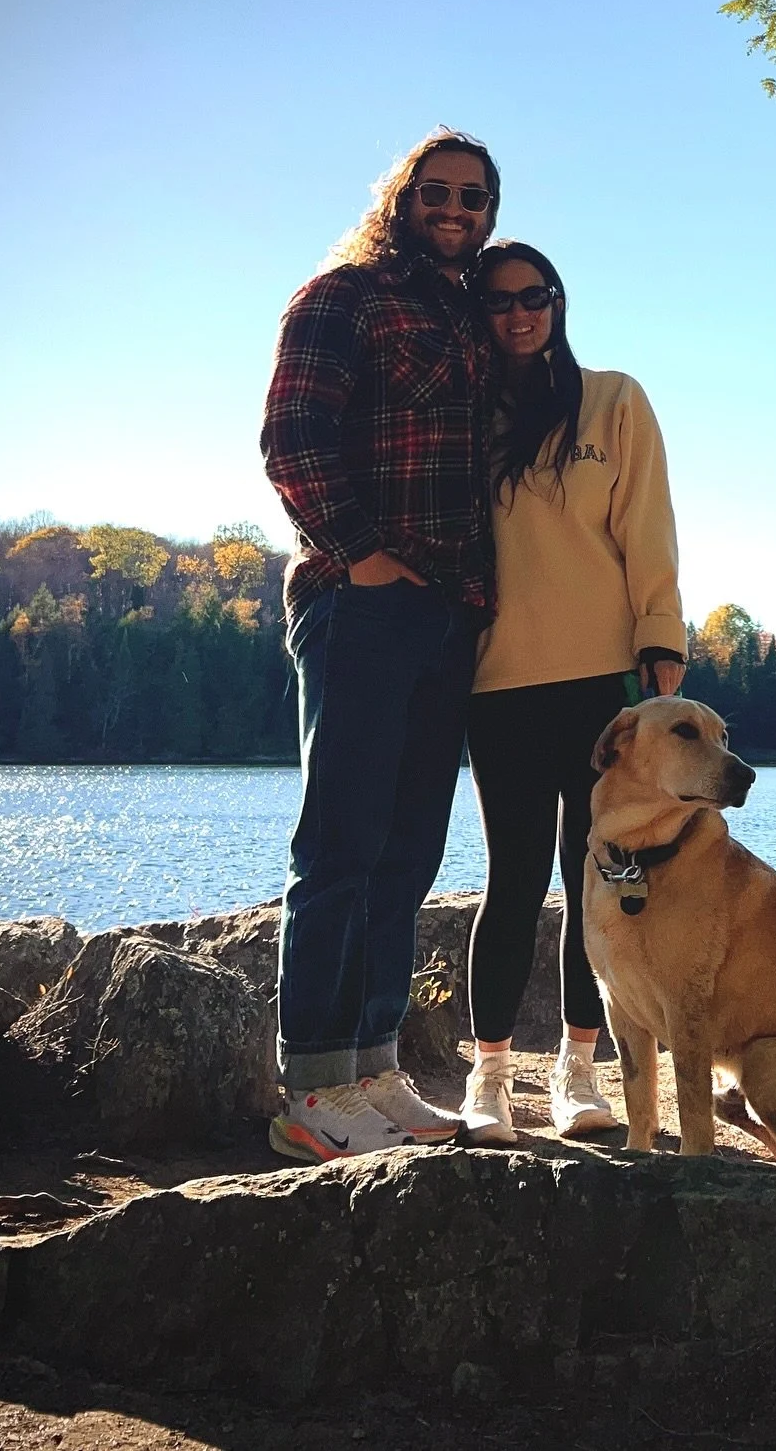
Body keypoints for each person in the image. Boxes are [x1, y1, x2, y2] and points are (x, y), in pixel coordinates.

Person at [260, 127, 500, 1161]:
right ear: (401, 197)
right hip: (359, 604)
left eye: (476, 198)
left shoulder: (474, 315)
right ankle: (311, 1086)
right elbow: (290, 437)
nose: (456, 209)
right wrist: (357, 553)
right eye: (437, 192)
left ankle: (373, 1066)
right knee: (342, 845)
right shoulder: (344, 296)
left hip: (449, 614)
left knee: (407, 852)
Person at [459, 240, 687, 1145]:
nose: (518, 313)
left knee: (599, 873)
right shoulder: (466, 415)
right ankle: (486, 1078)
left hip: (605, 682)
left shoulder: (615, 400)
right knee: (512, 875)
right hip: (499, 679)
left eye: (534, 296)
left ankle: (578, 1067)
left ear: (557, 302)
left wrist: (661, 637)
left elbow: (648, 527)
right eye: (499, 301)